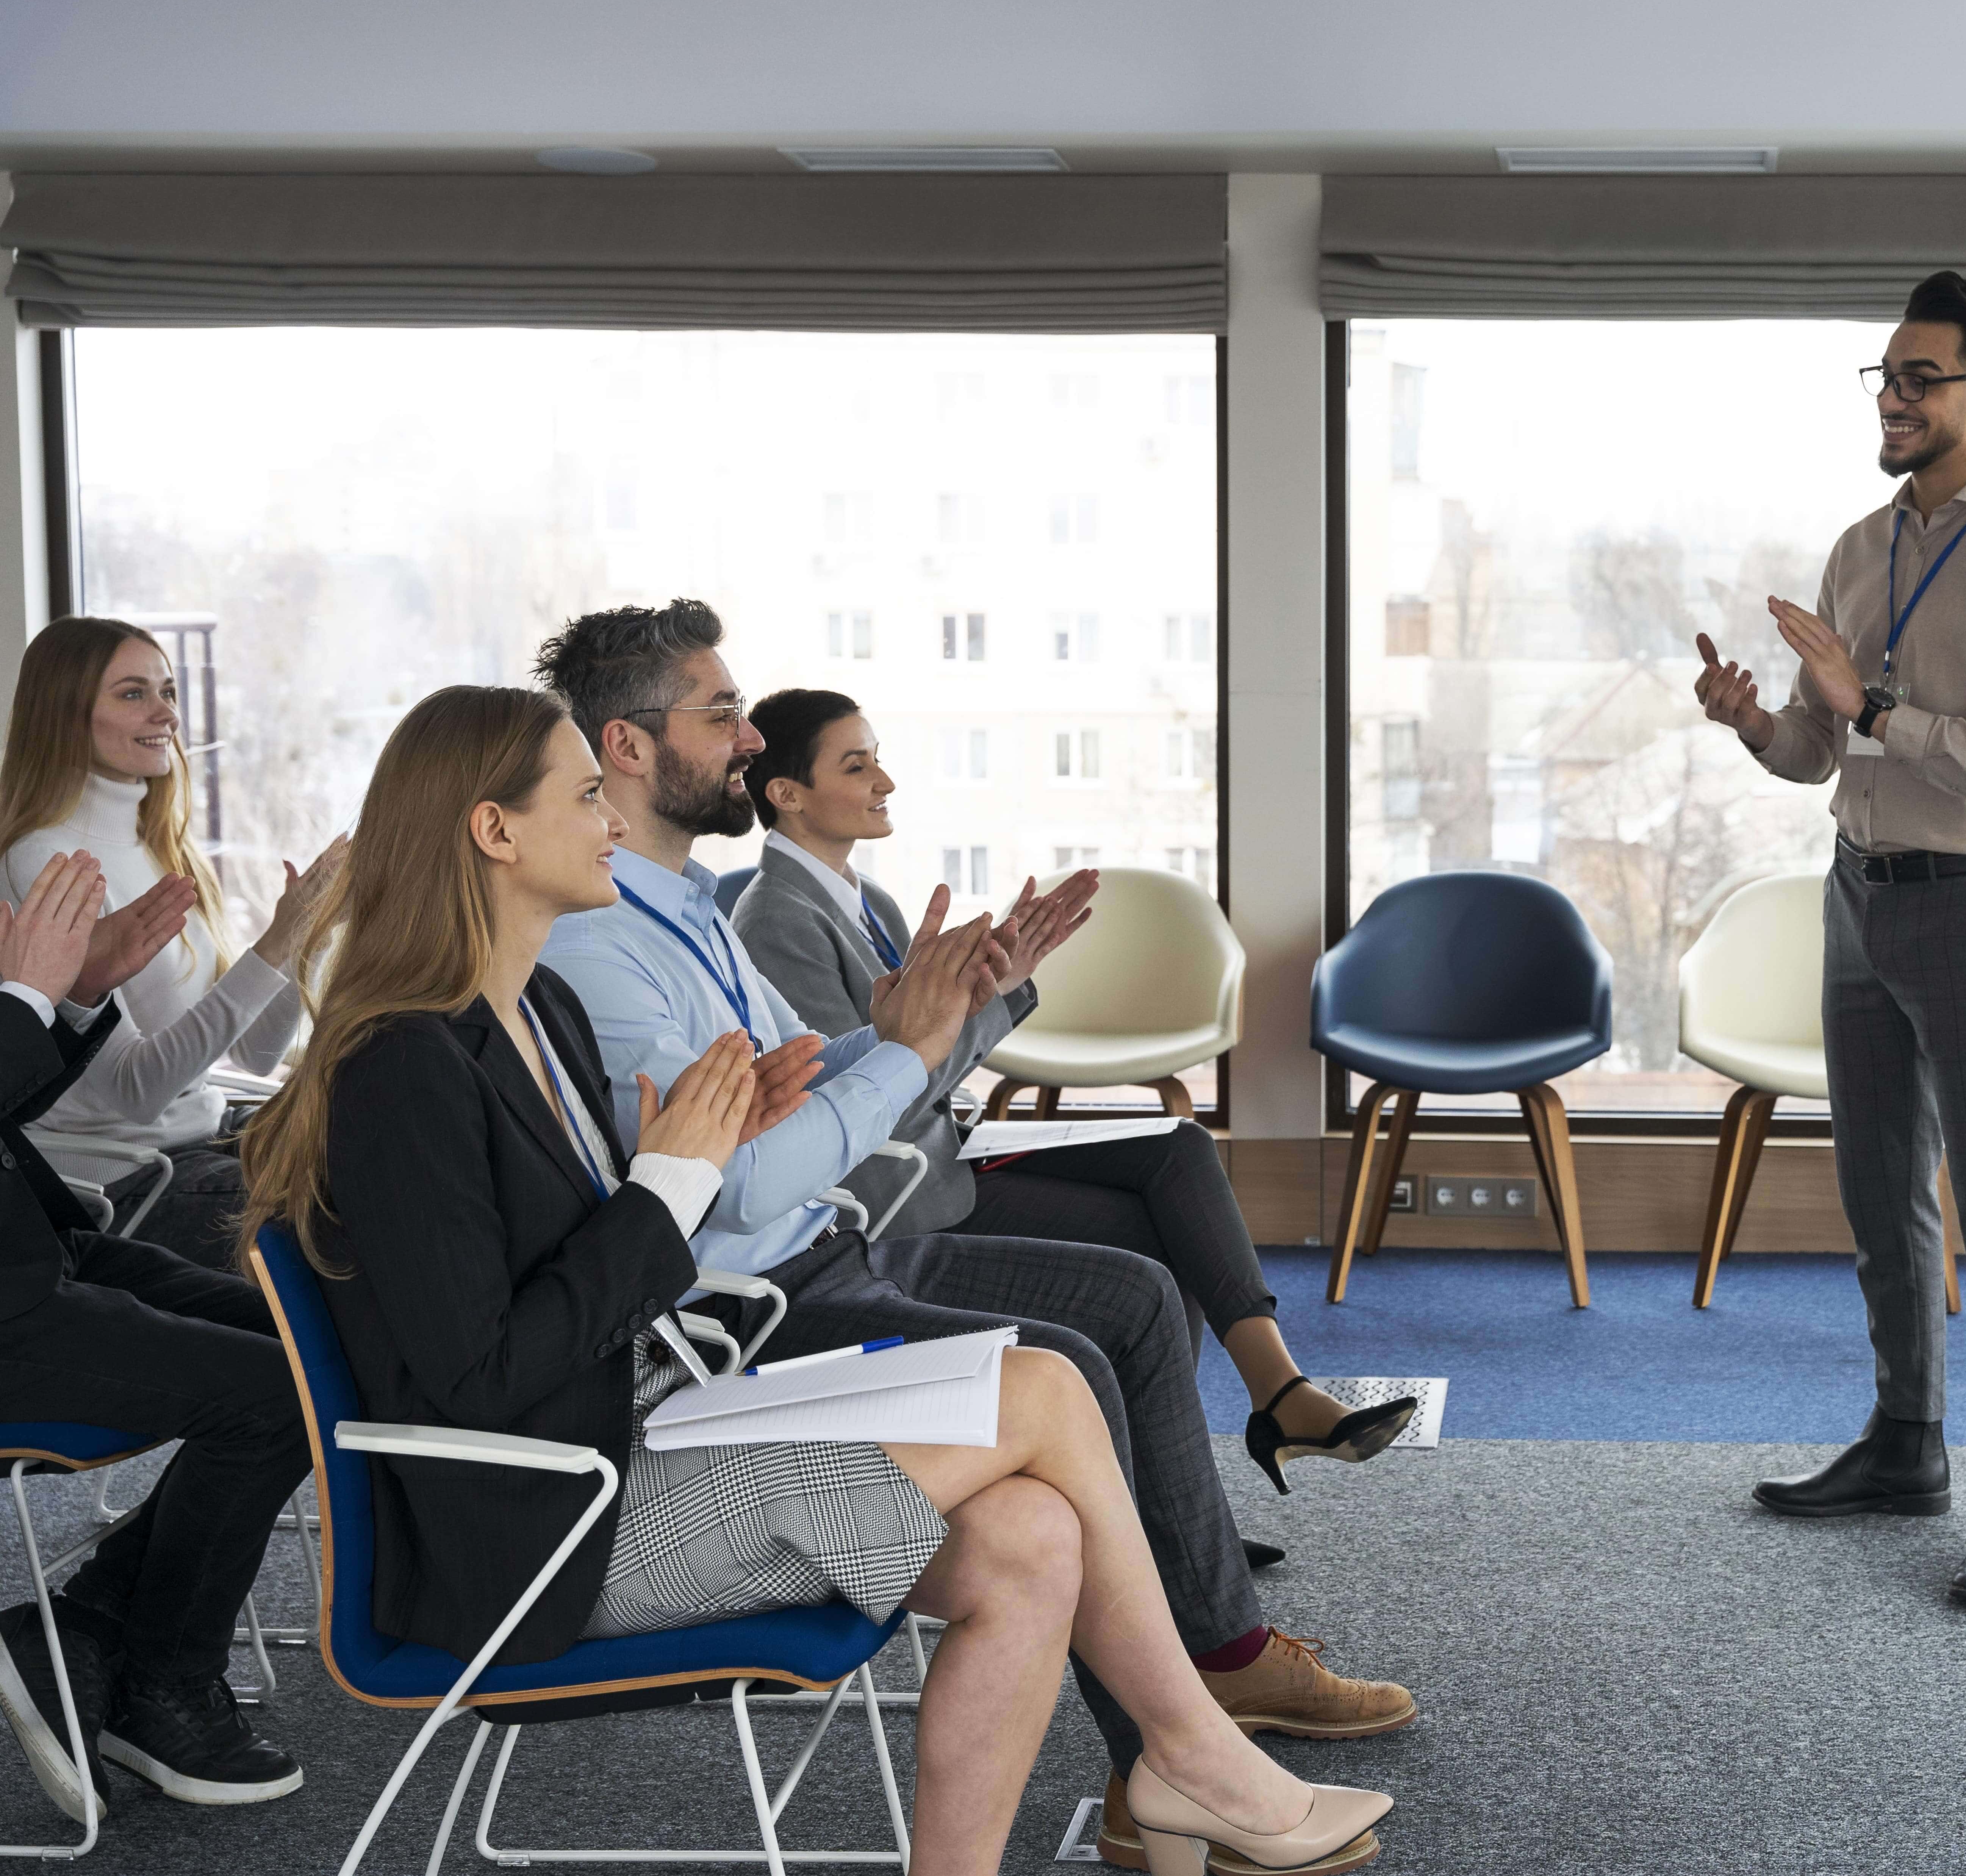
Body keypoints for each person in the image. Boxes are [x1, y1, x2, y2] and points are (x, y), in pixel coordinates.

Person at [233, 685, 1389, 1876]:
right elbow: (480, 1375)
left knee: (1033, 1532)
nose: (613, 821)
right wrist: (670, 1186)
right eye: (584, 797)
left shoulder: (539, 1010)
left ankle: (1143, 1780)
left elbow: (585, 1257)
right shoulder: (402, 1066)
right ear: (494, 832)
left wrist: (705, 1152)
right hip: (550, 1524)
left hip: (642, 1421)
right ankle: (1190, 1754)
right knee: (1045, 1387)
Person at [526, 605, 1412, 1855]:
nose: (745, 736)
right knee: (1072, 1364)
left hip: (823, 1247)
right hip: (754, 1304)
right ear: (626, 745)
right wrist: (904, 1048)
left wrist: (953, 1011)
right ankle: (1177, 1739)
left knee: (1133, 1300)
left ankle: (1212, 1675)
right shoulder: (601, 939)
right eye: (721, 714)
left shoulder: (690, 908)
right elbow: (745, 1180)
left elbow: (819, 1072)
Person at [728, 688, 1421, 1493]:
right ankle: (1183, 1494)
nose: (884, 781)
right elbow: (876, 1096)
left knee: (1179, 1149)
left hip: (940, 1151)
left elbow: (917, 1057)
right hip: (900, 1190)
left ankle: (1263, 1408)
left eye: (878, 759)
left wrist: (990, 990)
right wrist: (986, 1002)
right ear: (787, 794)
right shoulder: (776, 921)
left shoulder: (863, 900)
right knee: (1156, 1236)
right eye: (857, 766)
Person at [1692, 271, 1966, 1603]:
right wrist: (1757, 722)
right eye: (1887, 376)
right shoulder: (1860, 546)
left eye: (1923, 378)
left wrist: (1873, 710)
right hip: (1859, 891)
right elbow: (1819, 750)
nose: (1895, 399)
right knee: (1879, 1191)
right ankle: (1907, 1441)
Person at [0, 847, 312, 1818]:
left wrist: (73, 997)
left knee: (317, 1352)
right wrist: (23, 998)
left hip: (40, 1245)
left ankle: (86, 1626)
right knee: (276, 1400)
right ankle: (163, 1685)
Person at [0, 616, 348, 1268]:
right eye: (134, 694)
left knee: (389, 1150)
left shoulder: (160, 845)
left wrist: (307, 933)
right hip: (132, 1178)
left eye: (168, 692)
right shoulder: (47, 864)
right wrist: (274, 943)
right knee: (353, 1216)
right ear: (65, 713)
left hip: (206, 1142)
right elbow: (136, 1093)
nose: (167, 714)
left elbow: (257, 1052)